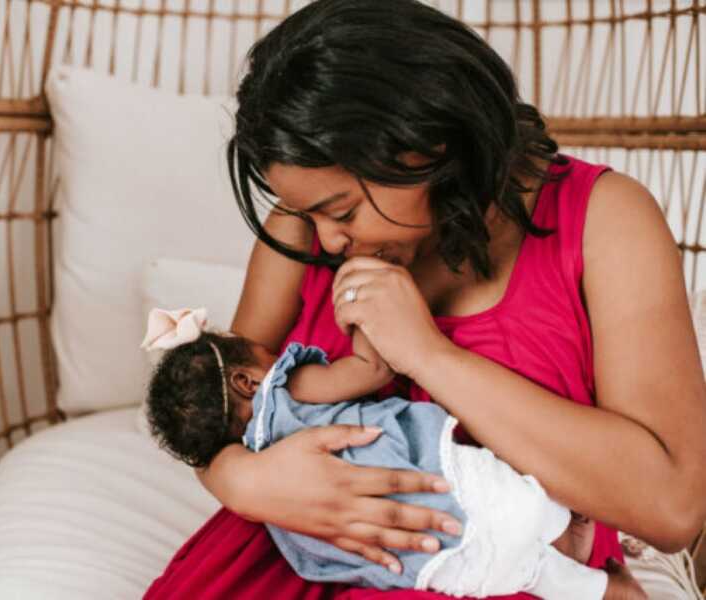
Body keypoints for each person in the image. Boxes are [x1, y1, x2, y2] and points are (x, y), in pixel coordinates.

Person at [144, 1, 706, 598]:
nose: (328, 238)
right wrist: (245, 482)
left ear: (425, 143)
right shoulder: (299, 231)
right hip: (295, 563)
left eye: (342, 211)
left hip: (495, 570)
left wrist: (428, 355)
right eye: (313, 213)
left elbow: (672, 509)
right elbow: (221, 403)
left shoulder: (605, 219)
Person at [140, 308, 615, 598]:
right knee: (513, 500)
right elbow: (369, 369)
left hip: (409, 557)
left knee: (506, 569)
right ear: (247, 381)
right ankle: (565, 532)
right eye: (263, 350)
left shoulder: (257, 447)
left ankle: (588, 582)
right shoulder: (290, 387)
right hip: (430, 481)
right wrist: (363, 315)